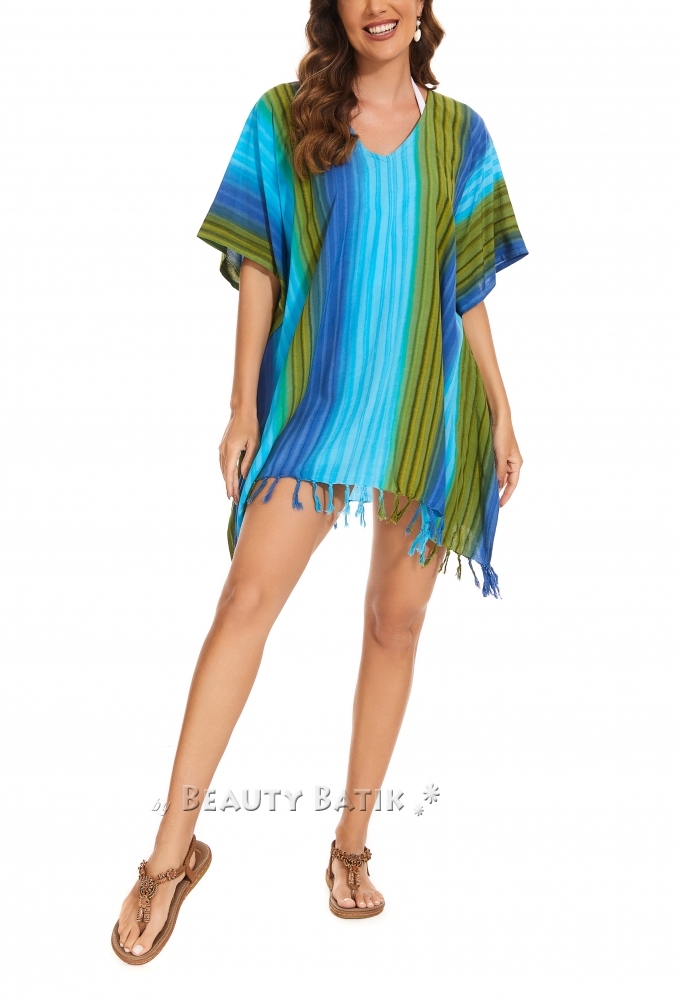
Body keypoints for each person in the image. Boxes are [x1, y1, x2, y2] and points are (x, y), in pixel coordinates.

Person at [112, 0, 527, 963]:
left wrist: (502, 408)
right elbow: (257, 263)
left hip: (426, 407)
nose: (380, 5)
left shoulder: (462, 134)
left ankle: (350, 845)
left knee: (396, 623)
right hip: (316, 401)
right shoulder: (283, 115)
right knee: (244, 603)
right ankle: (170, 855)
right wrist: (241, 407)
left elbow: (466, 287)